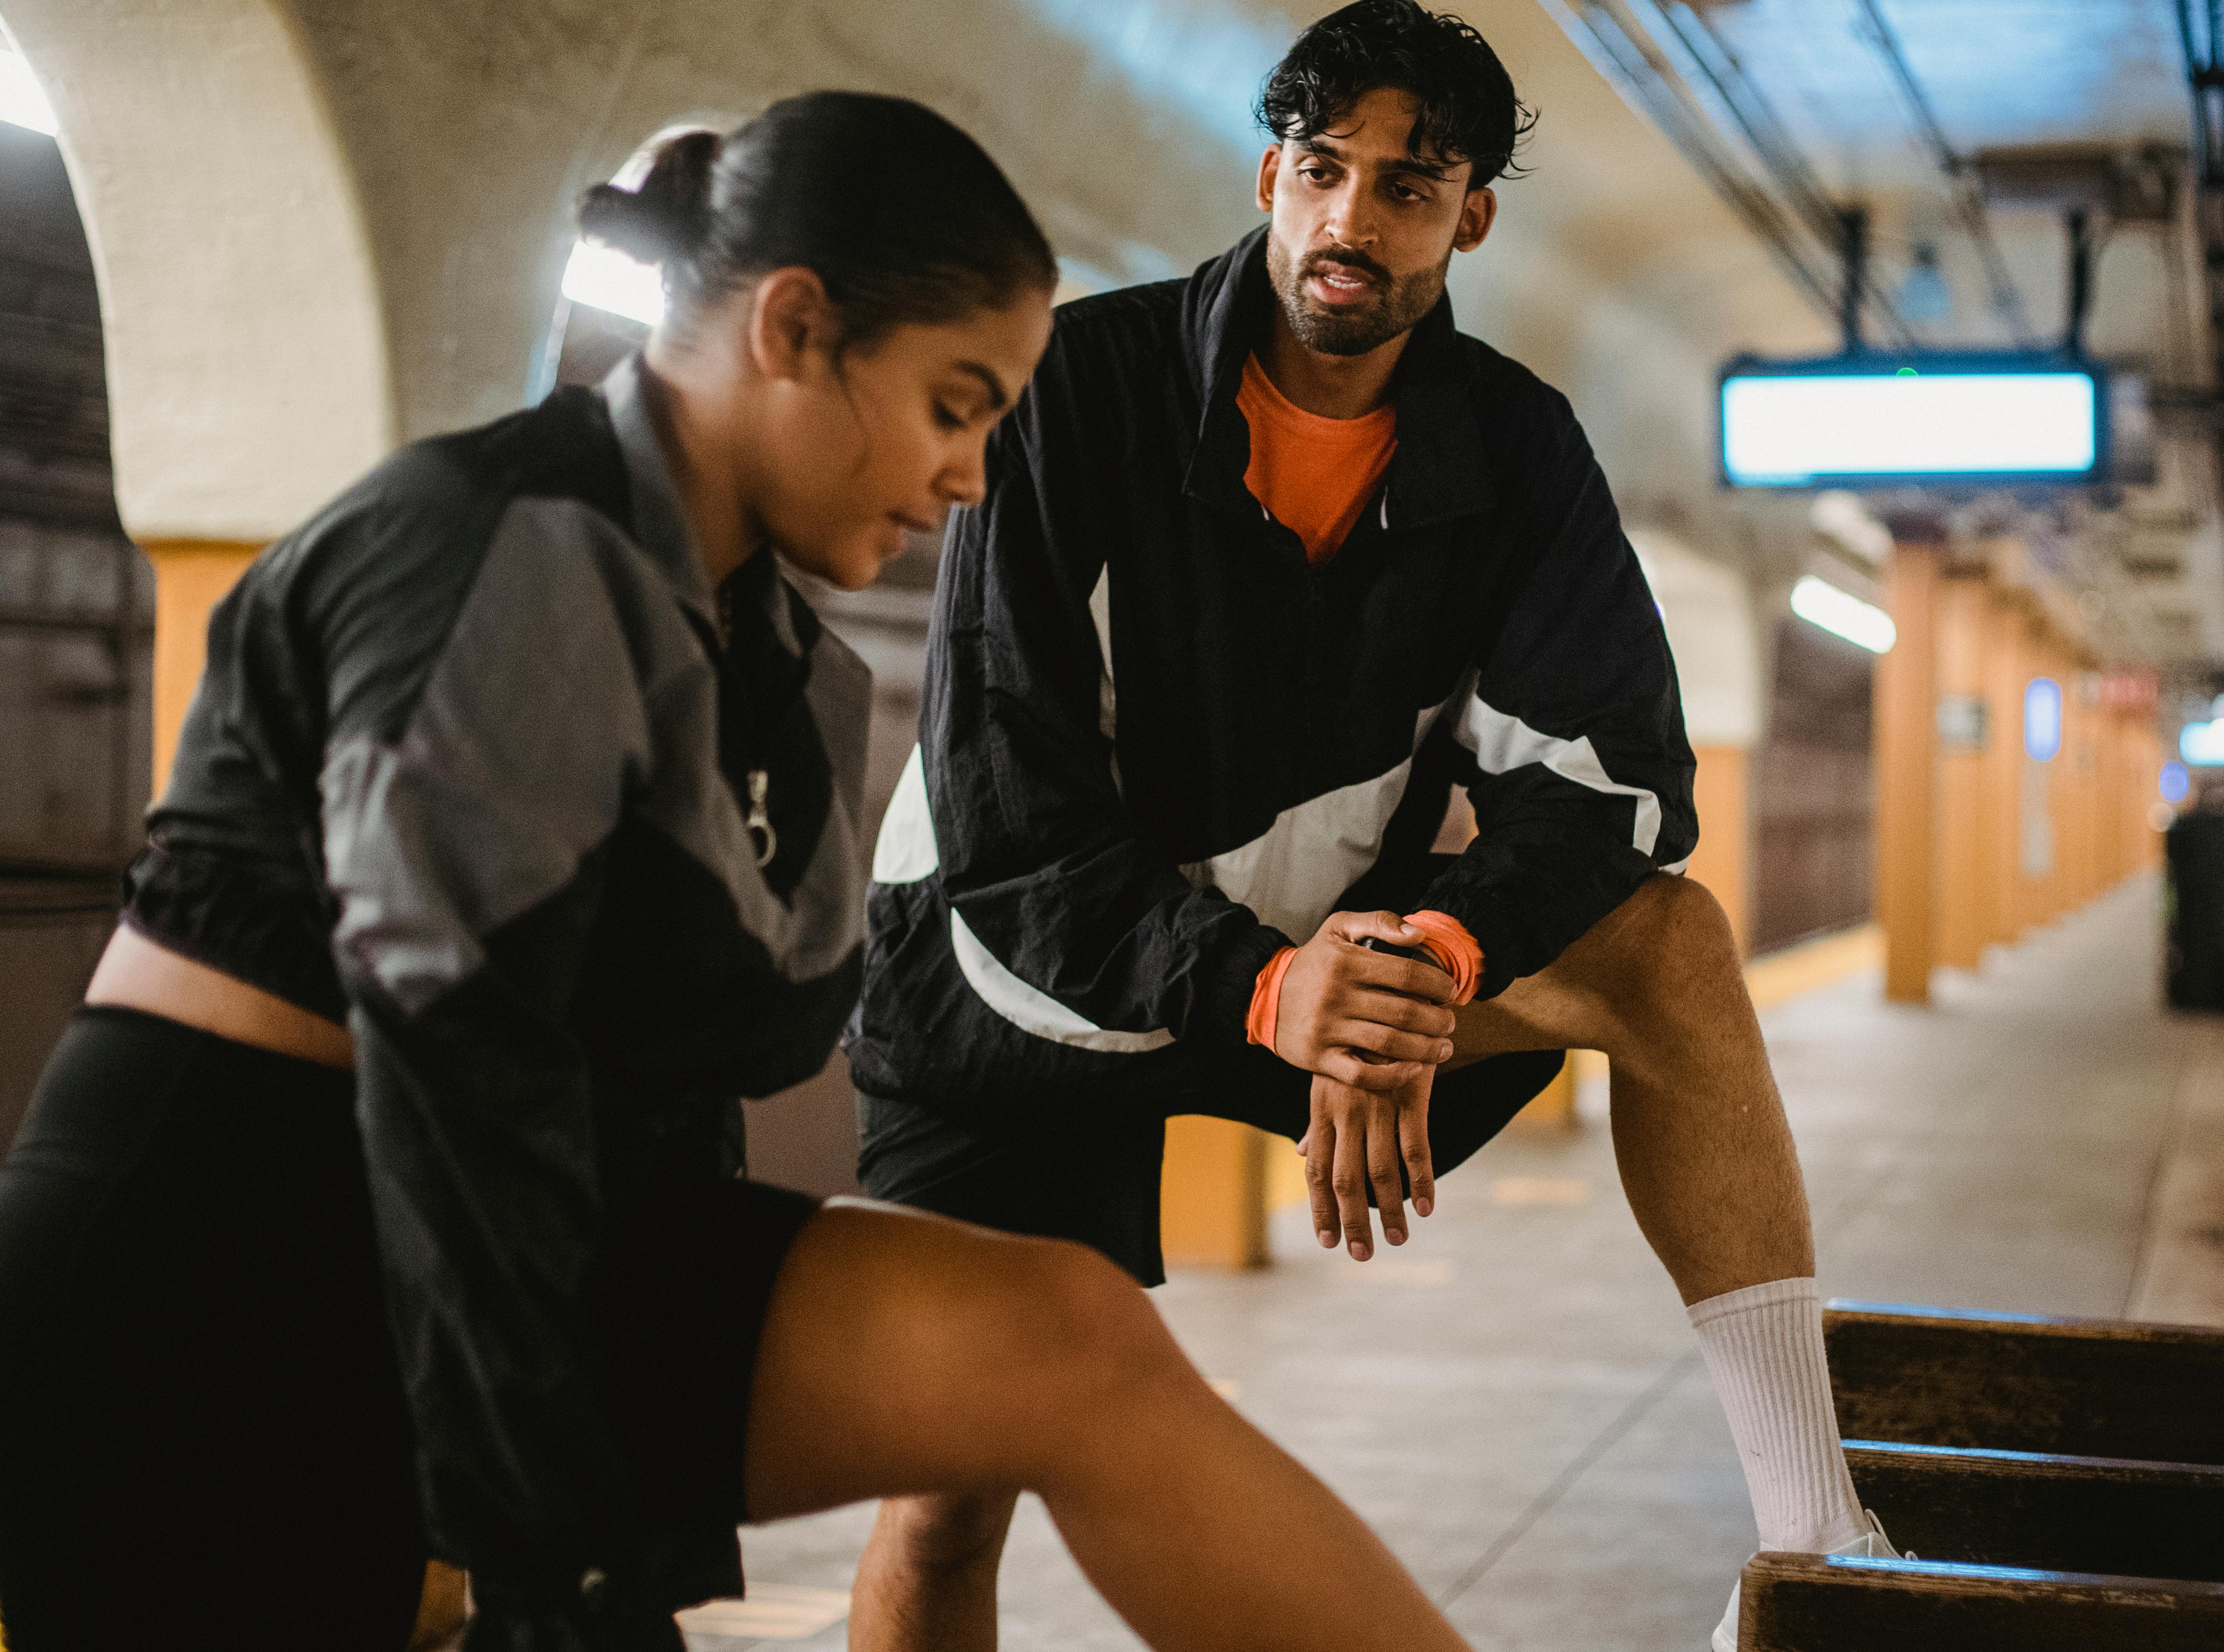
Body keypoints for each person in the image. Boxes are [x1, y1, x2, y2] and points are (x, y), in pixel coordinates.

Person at [0, 92, 1477, 1652]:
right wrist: (553, 1547)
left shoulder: (771, 655)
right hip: (211, 1278)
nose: (973, 476)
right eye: (954, 403)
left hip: (523, 1233)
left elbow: (663, 1073)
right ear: (793, 328)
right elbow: (454, 1067)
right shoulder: (515, 546)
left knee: (1067, 1333)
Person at [845, 6, 1900, 1647]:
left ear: (1470, 216)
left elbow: (1621, 781)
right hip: (1020, 985)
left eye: (1408, 186)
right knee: (947, 1487)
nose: (1354, 220)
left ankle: (1824, 1545)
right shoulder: (1083, 391)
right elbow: (1007, 814)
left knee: (1672, 944)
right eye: (1324, 171)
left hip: (1332, 959)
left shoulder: (1515, 443)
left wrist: (1424, 956)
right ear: (1270, 172)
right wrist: (1280, 998)